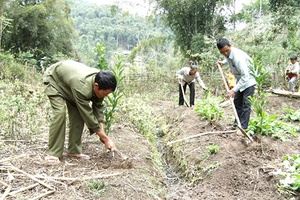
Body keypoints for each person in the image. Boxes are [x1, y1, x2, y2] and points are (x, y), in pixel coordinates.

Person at [42, 60, 116, 164]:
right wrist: (105, 138)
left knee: (77, 115)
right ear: (96, 86)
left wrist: (103, 136)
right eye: (105, 94)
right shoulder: (82, 88)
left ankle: (74, 150)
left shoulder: (101, 81)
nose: (105, 96)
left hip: (70, 84)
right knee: (60, 114)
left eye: (108, 94)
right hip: (55, 80)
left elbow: (98, 109)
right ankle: (53, 154)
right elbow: (88, 115)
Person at [216, 38, 256, 129]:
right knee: (237, 102)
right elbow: (228, 58)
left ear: (230, 46)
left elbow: (245, 76)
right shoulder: (228, 54)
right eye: (222, 52)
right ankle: (236, 124)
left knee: (246, 104)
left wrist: (233, 90)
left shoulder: (238, 58)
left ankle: (243, 127)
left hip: (249, 80)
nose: (225, 53)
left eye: (227, 51)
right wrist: (223, 62)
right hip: (240, 80)